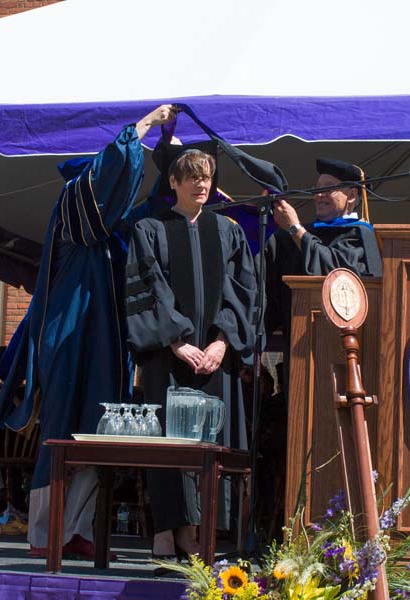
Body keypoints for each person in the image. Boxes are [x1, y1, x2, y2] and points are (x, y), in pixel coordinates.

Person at [0, 105, 178, 559]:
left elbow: (150, 208)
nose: (114, 197)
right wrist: (144, 127)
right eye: (107, 188)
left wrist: (166, 154)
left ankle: (75, 529)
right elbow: (112, 173)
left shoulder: (109, 234)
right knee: (61, 433)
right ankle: (44, 533)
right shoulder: (72, 212)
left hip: (106, 345)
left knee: (97, 432)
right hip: (69, 337)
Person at [124, 148, 256, 560]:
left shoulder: (228, 231)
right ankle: (166, 531)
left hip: (216, 358)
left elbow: (245, 292)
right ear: (174, 182)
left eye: (207, 176)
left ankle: (200, 532)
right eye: (192, 177)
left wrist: (220, 341)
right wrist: (178, 341)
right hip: (168, 356)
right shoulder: (150, 229)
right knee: (168, 441)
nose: (201, 184)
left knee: (212, 442)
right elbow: (148, 287)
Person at [264, 157, 383, 344]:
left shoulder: (360, 235)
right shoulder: (302, 233)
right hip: (297, 337)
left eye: (328, 188)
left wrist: (295, 229)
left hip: (340, 343)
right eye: (317, 189)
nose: (319, 195)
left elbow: (335, 275)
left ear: (351, 195)